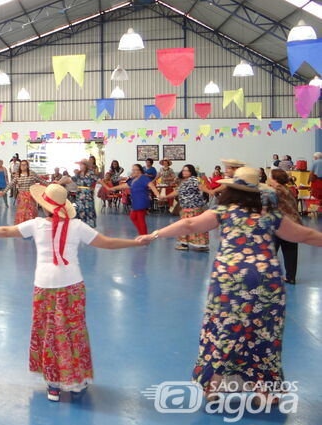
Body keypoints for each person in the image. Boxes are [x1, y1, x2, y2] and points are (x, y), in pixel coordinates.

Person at [137, 167, 322, 401]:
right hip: (266, 279)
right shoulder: (270, 215)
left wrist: (153, 235)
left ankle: (212, 387)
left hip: (230, 280)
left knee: (223, 330)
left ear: (232, 190)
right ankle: (264, 392)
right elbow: (304, 235)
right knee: (263, 333)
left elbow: (189, 225)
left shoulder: (224, 211)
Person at [0, 184, 143, 401]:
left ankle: (53, 385)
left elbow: (5, 231)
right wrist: (133, 243)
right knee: (72, 331)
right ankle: (76, 383)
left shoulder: (36, 225)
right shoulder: (77, 226)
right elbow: (106, 243)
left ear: (44, 206)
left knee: (48, 331)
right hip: (72, 286)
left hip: (44, 286)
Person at [155, 164, 210, 252]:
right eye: (183, 170)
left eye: (186, 170)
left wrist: (210, 191)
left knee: (196, 225)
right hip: (186, 208)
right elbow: (177, 192)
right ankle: (185, 244)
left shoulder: (194, 180)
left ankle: (201, 245)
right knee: (185, 226)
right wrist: (165, 197)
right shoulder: (184, 181)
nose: (184, 172)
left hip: (194, 208)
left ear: (191, 172)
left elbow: (201, 187)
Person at [269, 169, 300, 284]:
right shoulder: (287, 189)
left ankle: (268, 275)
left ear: (274, 179)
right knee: (290, 252)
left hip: (281, 225)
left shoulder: (274, 191)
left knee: (270, 250)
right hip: (293, 225)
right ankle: (290, 277)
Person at [108, 164, 153, 235]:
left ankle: (144, 236)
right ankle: (143, 234)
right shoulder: (133, 179)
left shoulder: (144, 177)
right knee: (133, 217)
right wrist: (112, 188)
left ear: (140, 170)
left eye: (135, 170)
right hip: (136, 201)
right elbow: (124, 185)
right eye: (133, 170)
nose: (133, 171)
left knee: (140, 219)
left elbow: (151, 185)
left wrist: (158, 194)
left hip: (141, 201)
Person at [62, 161, 100, 228]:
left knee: (88, 210)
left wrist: (108, 188)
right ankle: (81, 226)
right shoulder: (78, 174)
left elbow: (99, 180)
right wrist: (59, 182)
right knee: (80, 209)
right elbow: (69, 180)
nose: (80, 166)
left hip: (88, 195)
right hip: (79, 195)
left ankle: (88, 227)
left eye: (81, 165)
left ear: (85, 165)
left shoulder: (90, 174)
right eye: (79, 165)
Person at [10, 160, 46, 224]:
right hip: (21, 197)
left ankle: (31, 225)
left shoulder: (32, 173)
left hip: (30, 196)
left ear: (27, 166)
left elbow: (42, 181)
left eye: (25, 165)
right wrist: (3, 192)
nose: (23, 166)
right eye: (22, 165)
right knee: (22, 212)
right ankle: (22, 226)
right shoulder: (18, 174)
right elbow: (11, 184)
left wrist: (51, 184)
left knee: (31, 211)